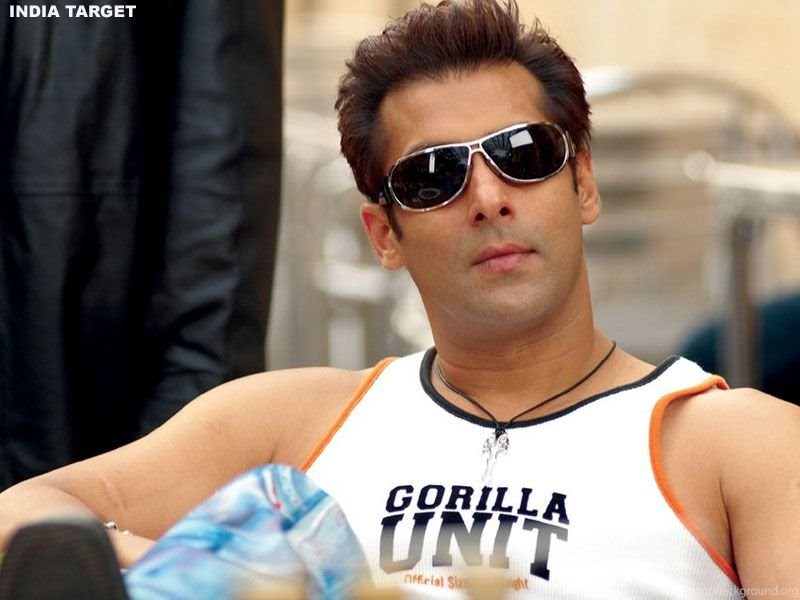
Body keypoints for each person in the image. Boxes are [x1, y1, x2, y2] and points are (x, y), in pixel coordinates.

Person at [1, 0, 798, 597]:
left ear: (582, 182)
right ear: (384, 234)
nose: (488, 198)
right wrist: (212, 573)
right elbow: (26, 510)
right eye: (432, 176)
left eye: (523, 154)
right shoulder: (291, 423)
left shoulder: (736, 444)